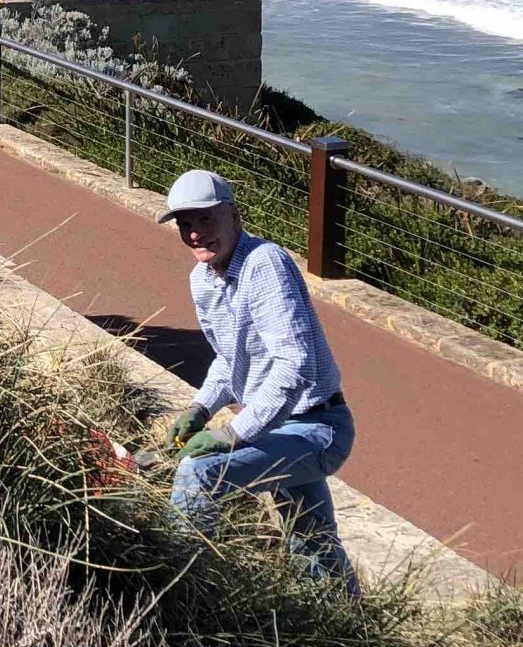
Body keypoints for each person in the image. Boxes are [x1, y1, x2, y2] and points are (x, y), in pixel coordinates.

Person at [138, 168, 359, 593]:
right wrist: (200, 409)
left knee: (199, 474)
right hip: (277, 427)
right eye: (185, 224)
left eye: (206, 218)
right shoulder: (203, 280)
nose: (195, 233)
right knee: (313, 545)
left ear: (234, 215)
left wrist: (232, 435)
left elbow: (295, 366)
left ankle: (176, 592)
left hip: (317, 426)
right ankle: (350, 620)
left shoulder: (265, 264)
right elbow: (229, 360)